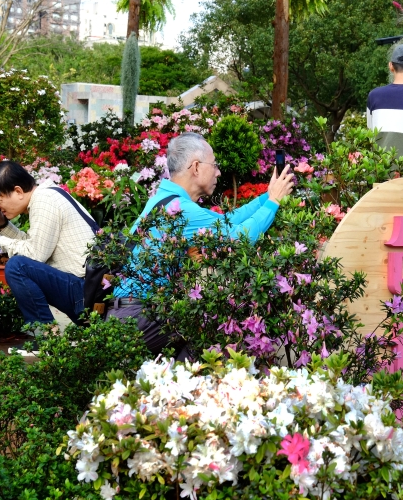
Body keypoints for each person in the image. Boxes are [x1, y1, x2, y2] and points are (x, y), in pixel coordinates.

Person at [107, 132, 294, 355]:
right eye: (214, 165)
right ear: (196, 167)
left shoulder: (167, 199)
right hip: (139, 318)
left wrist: (268, 195)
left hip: (132, 313)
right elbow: (238, 239)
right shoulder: (181, 210)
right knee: (211, 320)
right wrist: (274, 201)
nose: (218, 172)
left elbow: (228, 221)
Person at [0, 160, 96, 325]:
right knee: (19, 264)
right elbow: (34, 246)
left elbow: (34, 255)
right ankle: (46, 333)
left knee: (17, 267)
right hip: (86, 288)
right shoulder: (48, 194)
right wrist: (2, 225)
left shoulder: (44, 200)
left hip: (84, 291)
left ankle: (45, 334)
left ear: (18, 191)